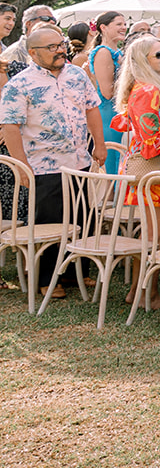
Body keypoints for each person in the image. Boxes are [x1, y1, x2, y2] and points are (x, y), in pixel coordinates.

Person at [2, 25, 106, 296]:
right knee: (50, 223)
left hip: (79, 161)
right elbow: (10, 127)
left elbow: (92, 109)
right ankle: (48, 279)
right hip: (43, 165)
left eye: (60, 45)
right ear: (33, 53)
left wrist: (100, 144)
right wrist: (22, 165)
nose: (60, 50)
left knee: (82, 217)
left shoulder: (77, 75)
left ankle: (76, 273)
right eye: (52, 47)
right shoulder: (19, 84)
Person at [112, 35, 160, 309]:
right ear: (143, 60)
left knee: (154, 233)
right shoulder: (148, 91)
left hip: (159, 170)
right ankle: (148, 294)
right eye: (158, 54)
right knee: (157, 233)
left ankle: (138, 291)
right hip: (155, 172)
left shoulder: (146, 87)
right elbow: (150, 140)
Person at [88, 11, 127, 173]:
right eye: (119, 24)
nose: (124, 27)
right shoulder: (103, 53)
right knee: (112, 170)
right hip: (109, 117)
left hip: (119, 114)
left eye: (124, 24)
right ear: (103, 28)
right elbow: (107, 92)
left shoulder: (119, 52)